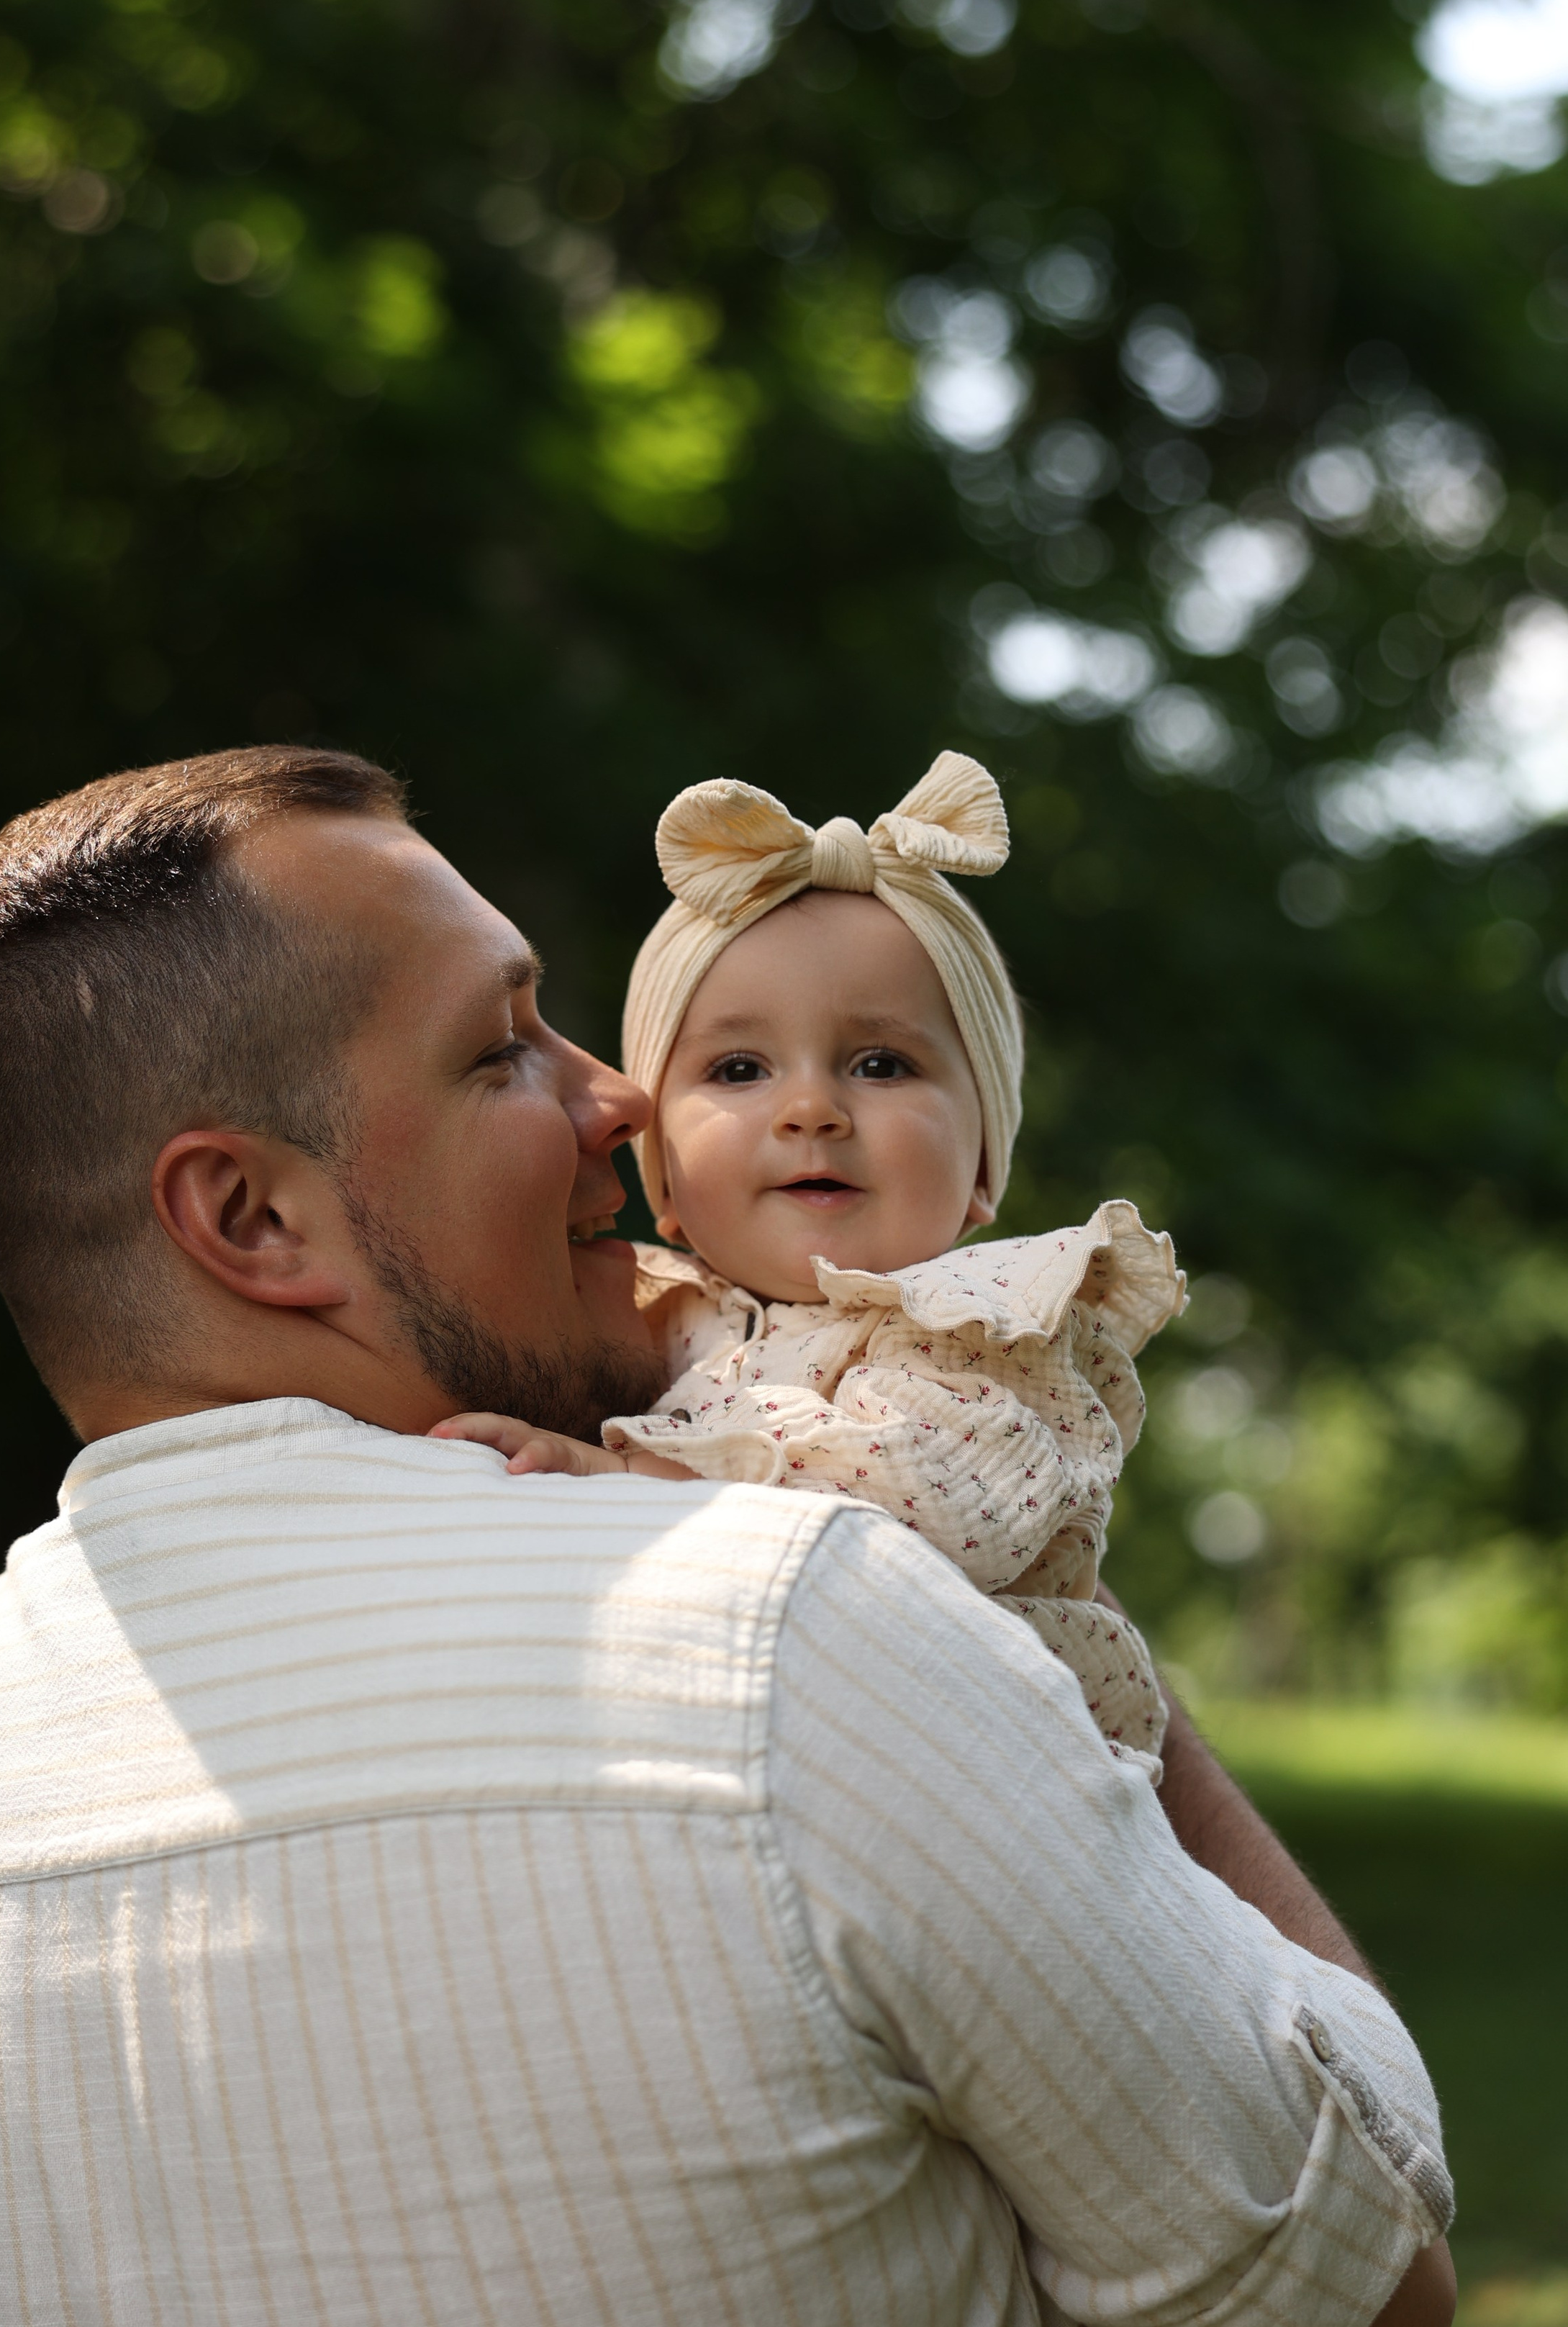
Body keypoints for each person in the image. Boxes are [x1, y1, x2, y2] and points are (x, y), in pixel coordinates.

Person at [0, 745, 1456, 2327]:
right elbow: (1348, 2301)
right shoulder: (789, 1633)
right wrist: (1066, 1669)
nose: (626, 1102)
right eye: (503, 1049)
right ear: (251, 1219)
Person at [438, 751, 1180, 1771]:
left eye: (882, 1064)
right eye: (739, 1069)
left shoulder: (983, 1327)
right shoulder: (651, 1318)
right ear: (665, 1185)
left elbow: (938, 1511)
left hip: (1003, 1774)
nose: (812, 1110)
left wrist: (632, 1476)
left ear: (981, 1167)